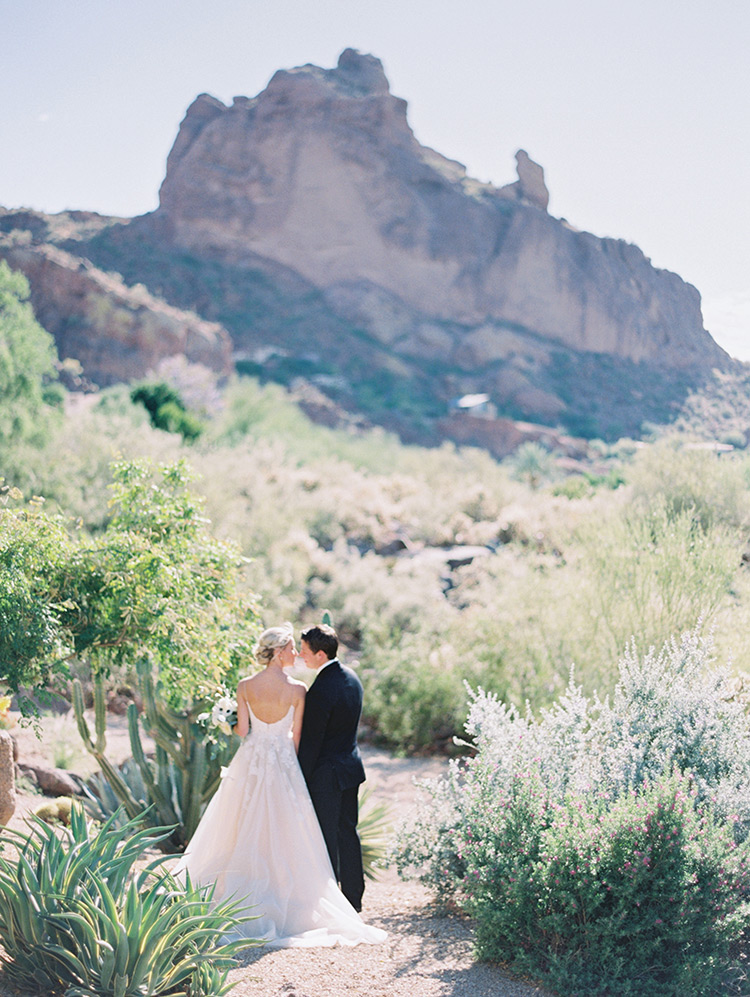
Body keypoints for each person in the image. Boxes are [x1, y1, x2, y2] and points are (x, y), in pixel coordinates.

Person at [175, 623, 385, 948]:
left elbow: (243, 732)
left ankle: (245, 891)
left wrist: (229, 719)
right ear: (278, 651)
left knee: (245, 826)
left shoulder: (247, 685)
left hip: (257, 762)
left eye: (300, 649)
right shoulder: (313, 687)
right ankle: (342, 900)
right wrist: (290, 769)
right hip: (326, 766)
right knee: (325, 834)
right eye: (291, 648)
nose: (296, 654)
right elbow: (299, 737)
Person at [297, 623, 366, 911]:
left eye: (304, 652)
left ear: (321, 654)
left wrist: (298, 775)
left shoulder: (321, 689)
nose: (301, 657)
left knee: (325, 837)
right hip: (350, 768)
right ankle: (353, 898)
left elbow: (312, 742)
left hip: (327, 774)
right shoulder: (352, 678)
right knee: (348, 833)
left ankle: (330, 905)